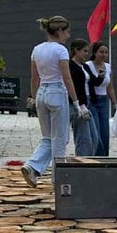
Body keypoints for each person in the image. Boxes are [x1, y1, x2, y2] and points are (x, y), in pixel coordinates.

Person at [20, 15, 80, 187]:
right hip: (56, 92)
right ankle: (58, 180)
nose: (68, 35)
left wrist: (33, 97)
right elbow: (67, 78)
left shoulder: (36, 49)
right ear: (59, 31)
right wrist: (76, 102)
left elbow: (34, 78)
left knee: (47, 138)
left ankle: (32, 166)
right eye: (67, 32)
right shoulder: (60, 50)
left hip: (41, 94)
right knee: (60, 139)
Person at [85, 41, 117, 157]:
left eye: (106, 52)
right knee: (96, 132)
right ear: (95, 52)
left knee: (105, 132)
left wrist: (114, 103)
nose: (103, 55)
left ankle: (105, 157)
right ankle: (98, 157)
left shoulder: (108, 67)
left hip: (104, 101)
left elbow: (110, 87)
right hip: (92, 100)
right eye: (101, 52)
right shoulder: (88, 65)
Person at [67, 38, 98, 156]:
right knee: (83, 138)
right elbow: (74, 86)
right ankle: (82, 161)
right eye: (85, 51)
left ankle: (89, 159)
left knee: (94, 137)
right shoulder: (70, 66)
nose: (87, 54)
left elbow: (92, 81)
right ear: (76, 50)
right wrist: (79, 104)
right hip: (77, 104)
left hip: (86, 102)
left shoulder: (84, 66)